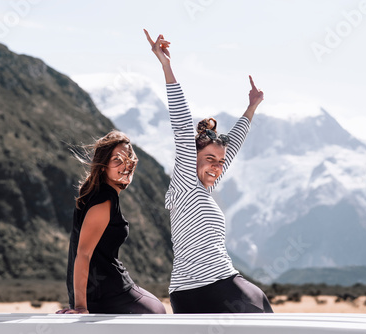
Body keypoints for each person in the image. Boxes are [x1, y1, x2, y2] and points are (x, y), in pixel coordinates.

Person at [144, 29, 273, 313]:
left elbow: (233, 144)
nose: (217, 166)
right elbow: (180, 123)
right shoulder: (185, 182)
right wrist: (167, 66)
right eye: (210, 159)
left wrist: (251, 108)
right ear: (193, 157)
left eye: (220, 162)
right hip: (208, 287)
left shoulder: (204, 187)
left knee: (260, 303)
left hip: (198, 290)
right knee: (261, 308)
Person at [57, 130, 166, 314]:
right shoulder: (105, 199)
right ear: (103, 166)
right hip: (105, 292)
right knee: (156, 313)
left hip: (101, 291)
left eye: (128, 158)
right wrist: (81, 307)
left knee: (157, 311)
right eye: (117, 160)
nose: (126, 164)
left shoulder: (100, 194)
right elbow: (83, 254)